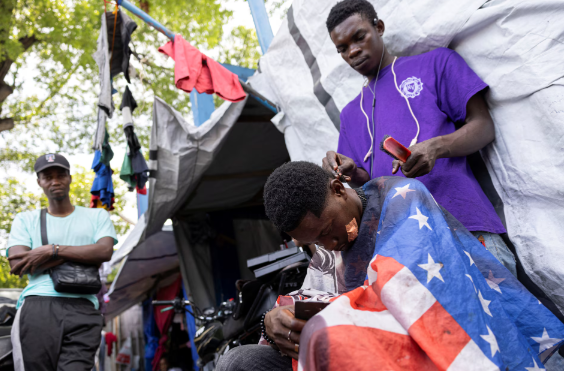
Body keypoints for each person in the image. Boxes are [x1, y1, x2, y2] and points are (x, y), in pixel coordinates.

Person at [216, 161, 564, 371]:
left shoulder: (402, 199)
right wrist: (273, 321)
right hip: (363, 353)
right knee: (238, 363)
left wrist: (338, 315)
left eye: (326, 232)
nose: (329, 245)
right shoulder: (325, 248)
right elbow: (313, 296)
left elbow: (410, 286)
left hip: (419, 344)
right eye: (315, 243)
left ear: (338, 189)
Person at [321, 0, 517, 277]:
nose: (353, 51)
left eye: (359, 37)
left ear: (379, 27)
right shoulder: (351, 114)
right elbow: (368, 188)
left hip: (468, 227)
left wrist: (436, 147)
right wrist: (352, 174)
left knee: (507, 316)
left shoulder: (435, 63)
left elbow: (483, 126)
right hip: (407, 252)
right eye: (342, 48)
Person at [6, 153, 117, 371]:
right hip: (38, 304)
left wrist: (51, 251)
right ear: (40, 182)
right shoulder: (25, 219)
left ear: (70, 178)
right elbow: (18, 264)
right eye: (48, 177)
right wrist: (83, 255)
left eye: (60, 175)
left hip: (84, 306)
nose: (55, 181)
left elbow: (104, 251)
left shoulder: (97, 217)